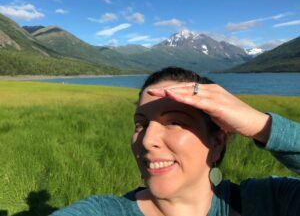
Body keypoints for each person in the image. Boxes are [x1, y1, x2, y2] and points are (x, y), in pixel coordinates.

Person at [51, 67, 300, 216]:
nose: (147, 140)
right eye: (141, 123)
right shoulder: (105, 211)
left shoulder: (271, 202)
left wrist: (262, 125)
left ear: (216, 142)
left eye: (175, 122)